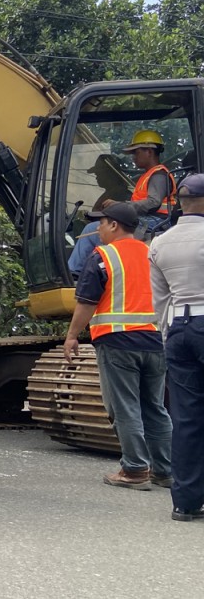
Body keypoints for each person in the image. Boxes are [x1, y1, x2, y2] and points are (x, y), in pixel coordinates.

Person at [63, 201, 172, 491]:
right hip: (155, 341)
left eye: (101, 223)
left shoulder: (103, 256)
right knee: (155, 407)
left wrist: (72, 335)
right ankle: (165, 470)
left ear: (114, 225)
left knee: (124, 407)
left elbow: (87, 301)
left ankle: (135, 470)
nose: (98, 229)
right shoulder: (152, 254)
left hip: (118, 342)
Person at [150, 173, 204, 520]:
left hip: (179, 329)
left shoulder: (160, 243)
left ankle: (185, 503)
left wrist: (168, 333)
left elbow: (161, 300)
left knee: (186, 418)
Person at [102, 130, 177, 232]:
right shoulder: (147, 175)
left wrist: (122, 206)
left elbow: (153, 202)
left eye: (136, 153)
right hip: (149, 218)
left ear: (149, 152)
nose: (133, 158)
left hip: (159, 220)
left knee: (102, 228)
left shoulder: (159, 175)